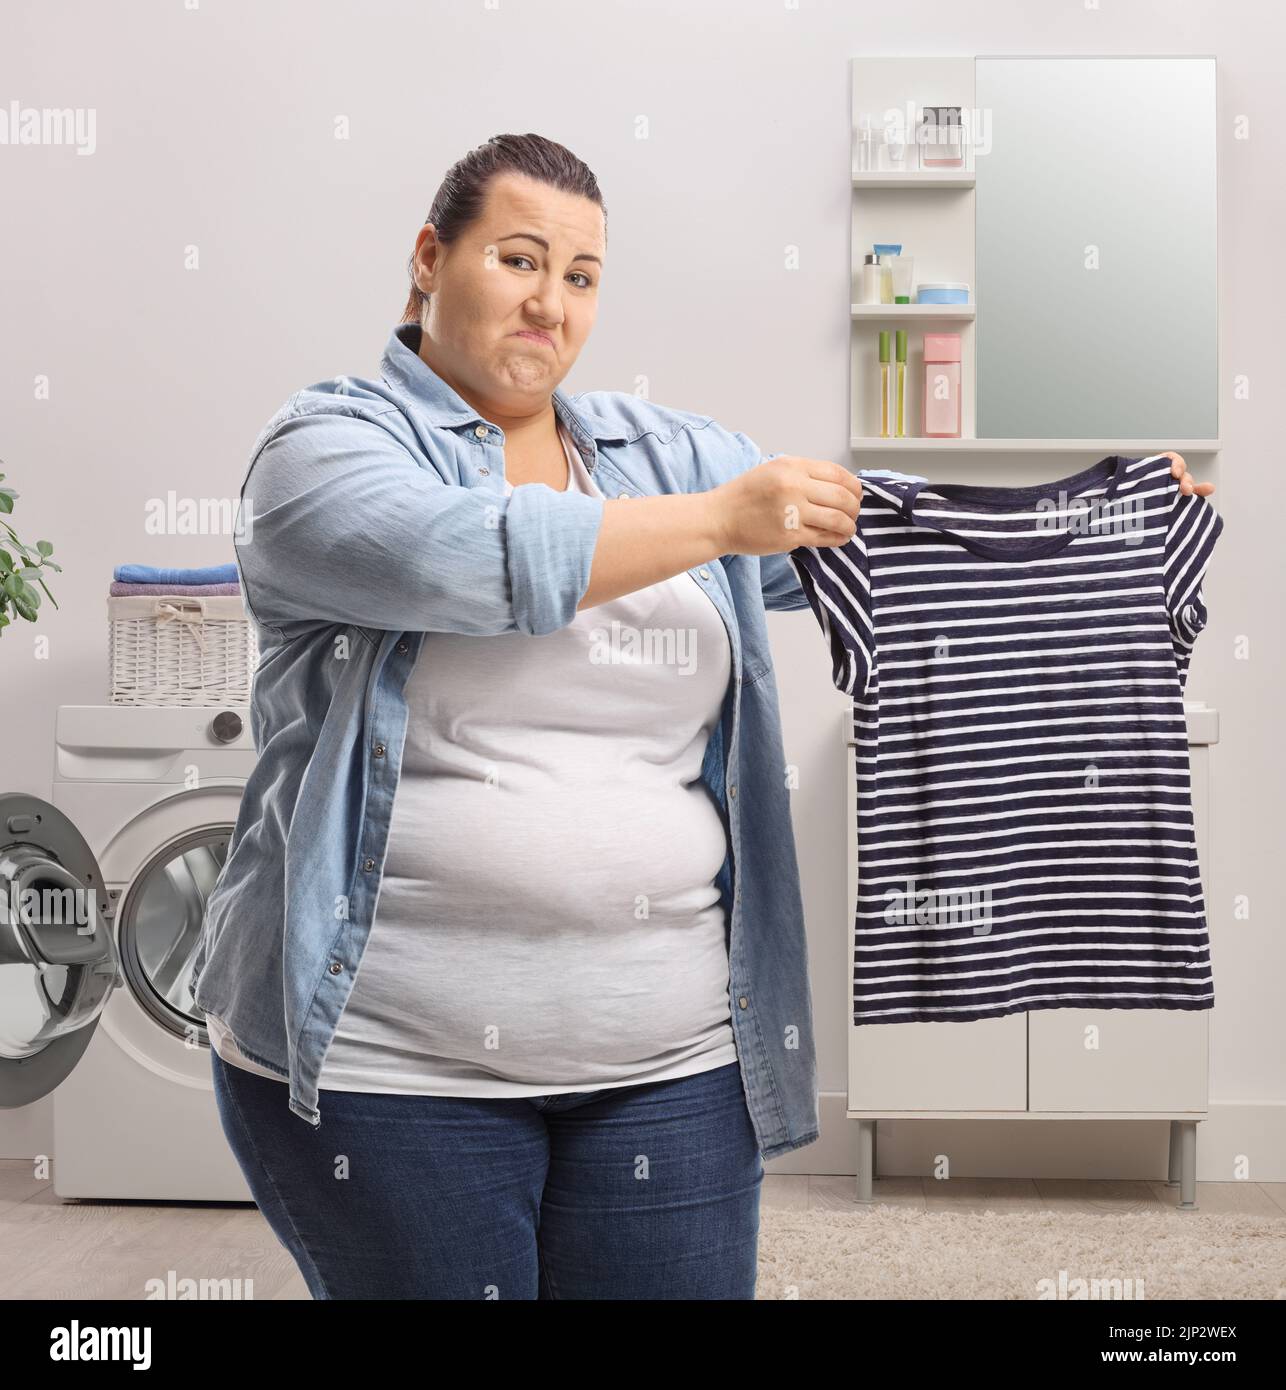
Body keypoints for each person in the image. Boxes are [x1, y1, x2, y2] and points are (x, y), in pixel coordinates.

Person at [193, 132, 1210, 1300]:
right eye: (518, 260)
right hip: (389, 1078)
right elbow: (475, 558)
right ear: (430, 258)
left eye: (579, 278)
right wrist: (728, 519)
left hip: (671, 1064)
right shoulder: (325, 451)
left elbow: (883, 536)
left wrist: (1095, 522)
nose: (550, 303)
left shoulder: (661, 454)